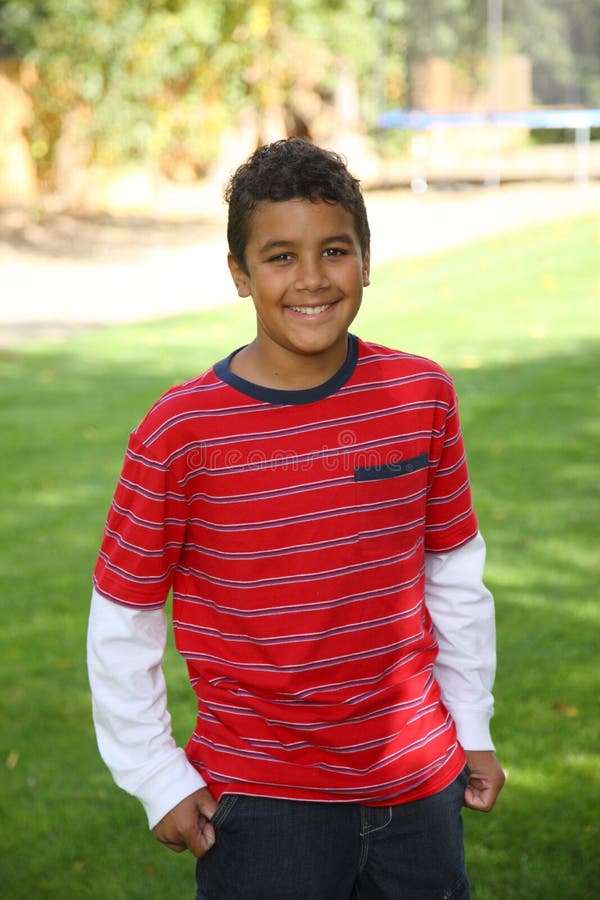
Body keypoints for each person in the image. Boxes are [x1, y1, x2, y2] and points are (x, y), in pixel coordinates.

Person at [87, 137, 505, 899]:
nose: (312, 279)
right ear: (240, 275)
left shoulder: (421, 396)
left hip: (416, 779)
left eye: (335, 250)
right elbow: (124, 618)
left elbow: (455, 575)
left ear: (367, 261)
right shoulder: (179, 433)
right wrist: (154, 775)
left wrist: (470, 723)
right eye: (280, 256)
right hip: (260, 800)